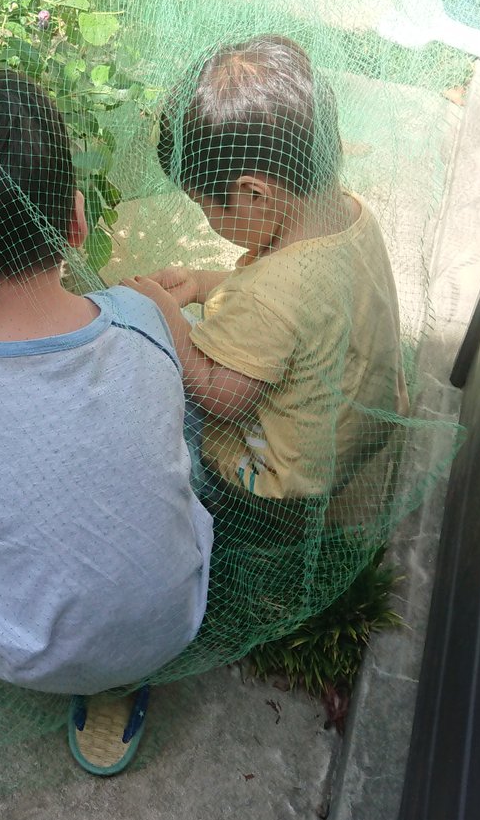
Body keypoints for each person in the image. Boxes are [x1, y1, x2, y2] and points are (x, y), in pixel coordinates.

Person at [0, 71, 212, 778]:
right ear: (77, 220)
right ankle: (122, 675)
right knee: (177, 442)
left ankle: (11, 620)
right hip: (175, 621)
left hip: (21, 654)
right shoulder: (143, 318)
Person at [123, 36, 404, 639]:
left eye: (207, 206)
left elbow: (222, 396)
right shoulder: (347, 214)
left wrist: (170, 320)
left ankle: (236, 530)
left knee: (163, 408)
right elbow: (299, 301)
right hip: (359, 427)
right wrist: (204, 282)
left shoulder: (268, 296)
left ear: (254, 192)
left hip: (283, 482)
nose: (208, 221)